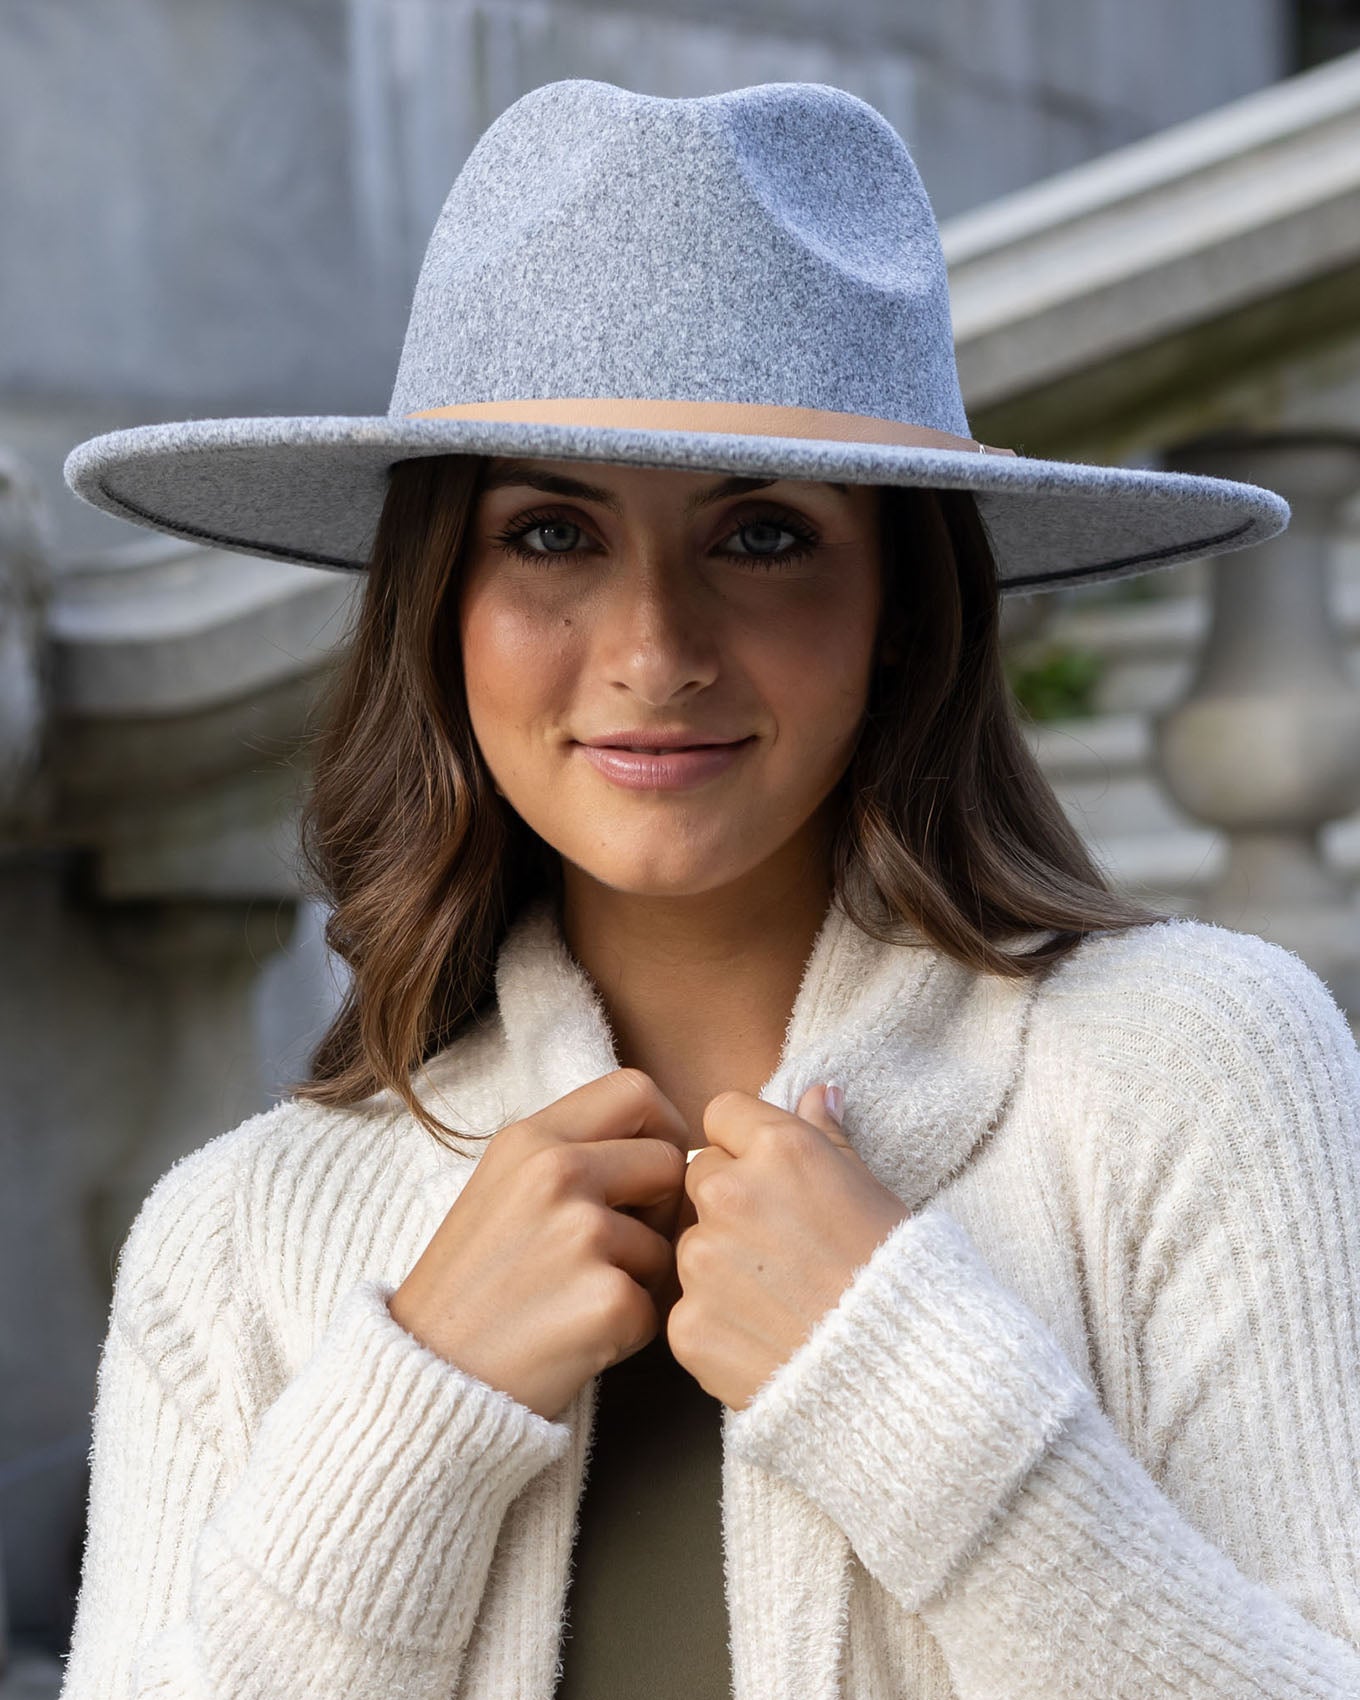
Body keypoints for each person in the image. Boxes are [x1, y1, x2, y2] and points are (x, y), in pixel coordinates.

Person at [58, 77, 1360, 1700]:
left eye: (762, 536)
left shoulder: (1196, 1073)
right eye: (551, 535)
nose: (655, 651)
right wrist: (416, 1411)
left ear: (901, 605)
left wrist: (918, 1398)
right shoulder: (235, 1240)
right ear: (437, 607)